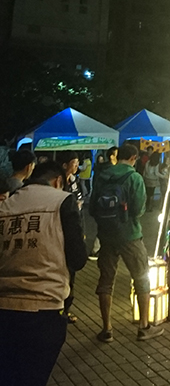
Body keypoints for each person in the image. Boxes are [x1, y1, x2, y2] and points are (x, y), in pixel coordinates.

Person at [0, 160, 87, 386]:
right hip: (44, 310)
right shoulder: (63, 201)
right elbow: (78, 259)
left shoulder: (7, 204)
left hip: (4, 308)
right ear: (58, 181)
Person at [89, 141, 164, 343]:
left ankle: (106, 329)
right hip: (130, 235)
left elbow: (92, 207)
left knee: (106, 281)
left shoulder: (102, 176)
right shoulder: (134, 177)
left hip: (106, 236)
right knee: (141, 277)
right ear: (133, 158)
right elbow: (138, 210)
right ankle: (144, 326)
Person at [55, 151, 84, 323]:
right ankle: (58, 311)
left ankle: (66, 309)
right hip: (58, 233)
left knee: (71, 275)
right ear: (65, 164)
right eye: (74, 162)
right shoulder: (57, 183)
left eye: (77, 162)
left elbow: (80, 200)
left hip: (73, 228)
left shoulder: (74, 181)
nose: (77, 166)